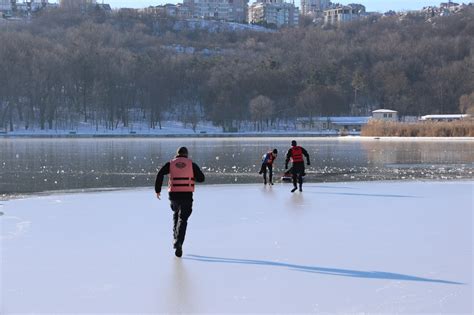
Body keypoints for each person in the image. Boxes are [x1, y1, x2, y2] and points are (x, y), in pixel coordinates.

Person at [155, 147, 205, 258]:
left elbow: (160, 174)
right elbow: (202, 178)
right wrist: (192, 177)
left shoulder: (171, 164)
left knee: (176, 215)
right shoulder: (191, 164)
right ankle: (179, 242)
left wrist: (157, 190)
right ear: (186, 155)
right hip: (187, 195)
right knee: (183, 219)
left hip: (174, 195)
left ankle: (175, 238)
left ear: (177, 154)